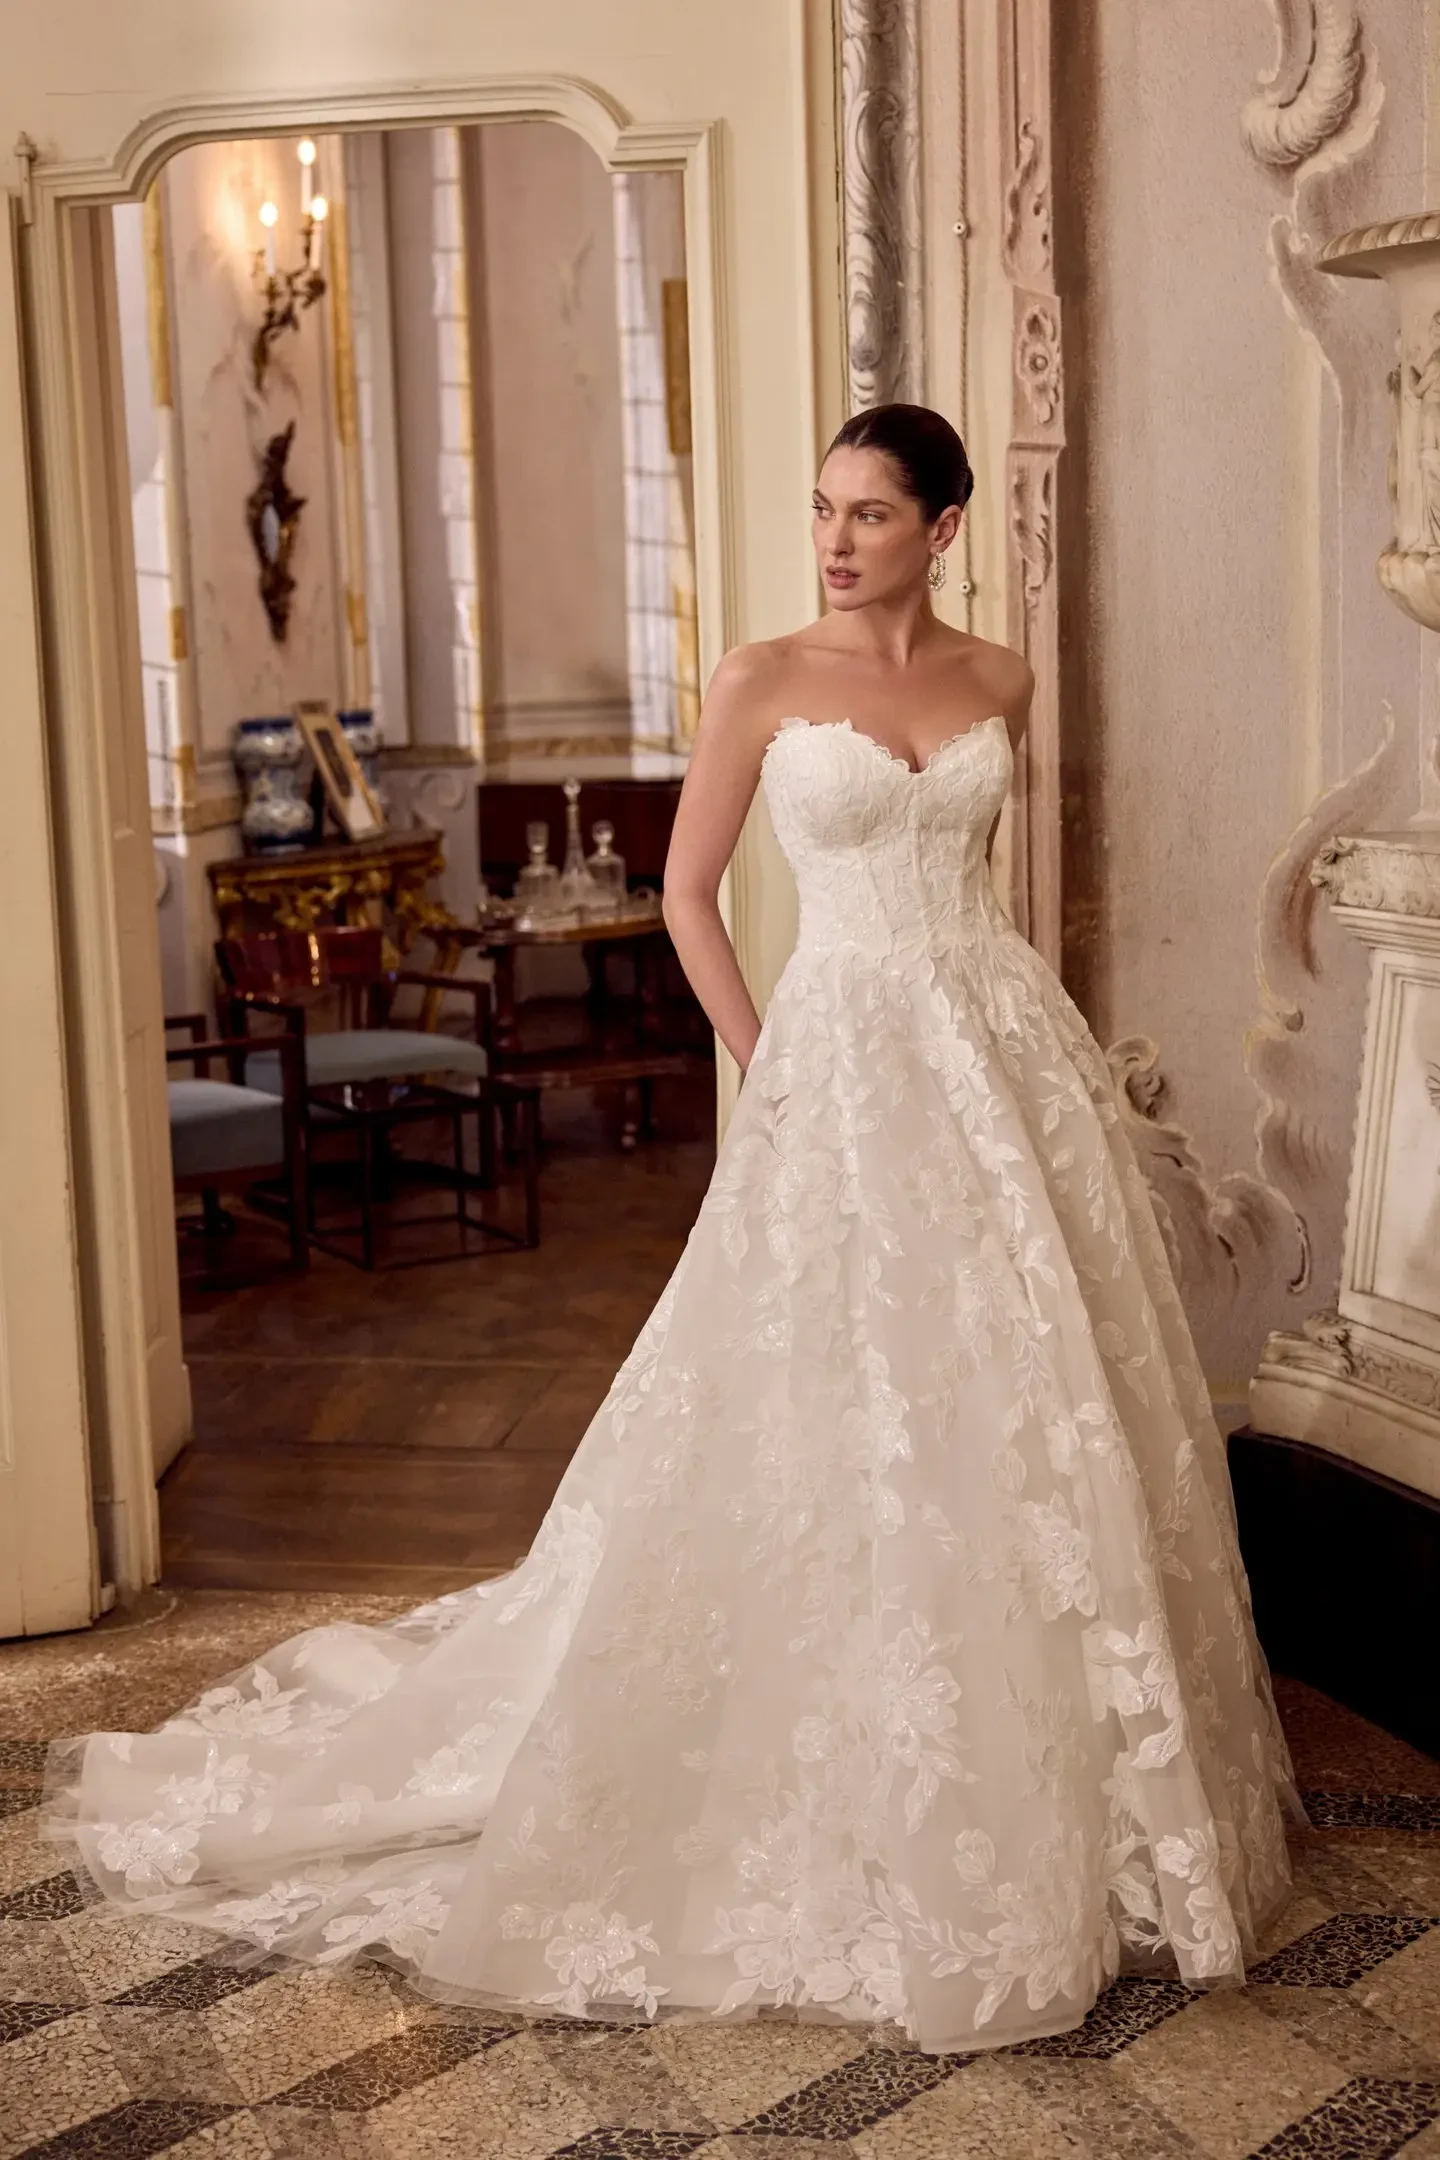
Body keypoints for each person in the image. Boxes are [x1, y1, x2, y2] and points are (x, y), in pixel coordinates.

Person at [43, 403, 1299, 2056]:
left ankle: (1071, 1795)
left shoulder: (1001, 680)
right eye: (822, 510)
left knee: (1025, 1398)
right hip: (840, 1057)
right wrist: (776, 1061)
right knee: (826, 1395)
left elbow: (985, 893)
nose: (837, 539)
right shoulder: (761, 680)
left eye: (868, 513)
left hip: (1002, 1057)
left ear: (943, 525)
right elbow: (692, 895)